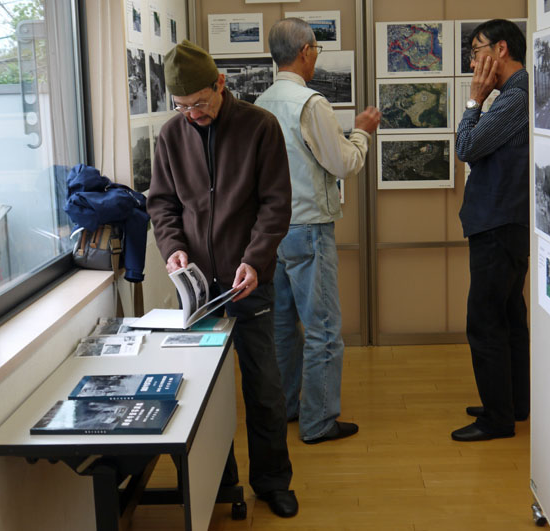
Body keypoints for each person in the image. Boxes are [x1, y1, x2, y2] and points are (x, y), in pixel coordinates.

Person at [147, 40, 298, 517]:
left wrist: (255, 258)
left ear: (220, 84)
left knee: (264, 386)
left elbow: (276, 204)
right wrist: (173, 251)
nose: (192, 114)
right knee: (203, 392)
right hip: (198, 288)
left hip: (249, 281)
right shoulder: (171, 136)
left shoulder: (260, 128)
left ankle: (272, 481)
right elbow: (162, 204)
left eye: (200, 103)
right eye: (182, 107)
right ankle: (221, 479)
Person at [255, 18, 381, 444]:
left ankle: (290, 407)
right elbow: (343, 163)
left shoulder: (261, 102)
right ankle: (319, 421)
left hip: (271, 233)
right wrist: (362, 132)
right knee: (324, 329)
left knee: (284, 327)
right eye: (316, 51)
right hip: (309, 228)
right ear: (307, 50)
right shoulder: (310, 104)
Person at [452, 19, 530, 442]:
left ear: (500, 49)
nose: (472, 60)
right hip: (506, 224)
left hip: (498, 226)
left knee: (485, 322)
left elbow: (466, 148)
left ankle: (497, 419)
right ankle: (513, 403)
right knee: (509, 316)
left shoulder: (514, 98)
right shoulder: (517, 95)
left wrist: (472, 101)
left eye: (477, 49)